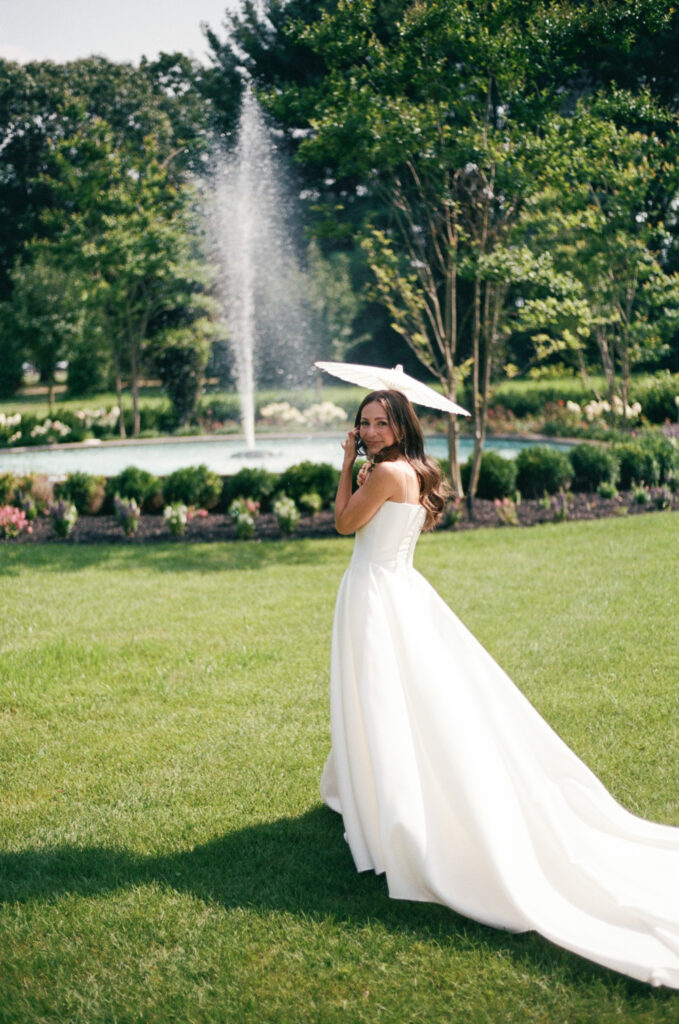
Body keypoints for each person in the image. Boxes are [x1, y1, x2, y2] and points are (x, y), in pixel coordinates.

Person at [320, 388, 679, 989]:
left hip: (376, 595)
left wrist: (347, 461)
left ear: (401, 425)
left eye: (382, 422)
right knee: (397, 698)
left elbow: (343, 523)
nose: (373, 430)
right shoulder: (414, 470)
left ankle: (396, 811)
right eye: (366, 422)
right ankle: (370, 786)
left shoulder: (381, 472)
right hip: (398, 591)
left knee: (383, 699)